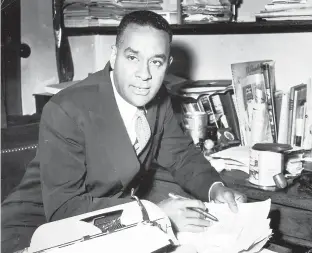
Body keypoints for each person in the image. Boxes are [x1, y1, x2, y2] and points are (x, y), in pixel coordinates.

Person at [1, 10, 246, 253]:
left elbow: (182, 156)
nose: (144, 75)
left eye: (156, 62)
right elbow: (64, 208)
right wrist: (153, 213)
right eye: (132, 58)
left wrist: (215, 189)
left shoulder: (159, 102)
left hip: (107, 230)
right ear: (114, 54)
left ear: (167, 65)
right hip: (35, 234)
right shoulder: (66, 109)